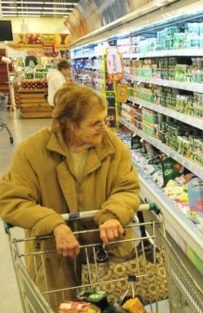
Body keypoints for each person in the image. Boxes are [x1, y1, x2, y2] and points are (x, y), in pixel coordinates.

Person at [0, 85, 140, 296]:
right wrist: (54, 224)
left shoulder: (113, 147)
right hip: (55, 260)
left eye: (103, 120)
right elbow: (11, 199)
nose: (104, 128)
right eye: (95, 123)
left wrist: (113, 214)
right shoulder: (31, 152)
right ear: (72, 126)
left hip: (108, 257)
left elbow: (127, 188)